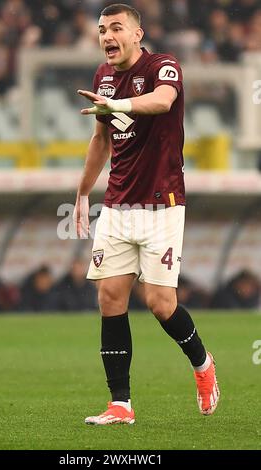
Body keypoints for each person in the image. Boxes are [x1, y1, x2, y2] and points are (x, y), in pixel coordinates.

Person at [74, 3, 220, 425]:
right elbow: (100, 140)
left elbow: (160, 102)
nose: (107, 36)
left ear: (138, 34)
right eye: (102, 30)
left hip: (162, 203)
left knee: (159, 303)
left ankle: (202, 364)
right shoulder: (102, 77)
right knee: (109, 297)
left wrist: (117, 104)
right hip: (118, 204)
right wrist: (83, 192)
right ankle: (121, 404)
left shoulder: (163, 66)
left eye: (116, 28)